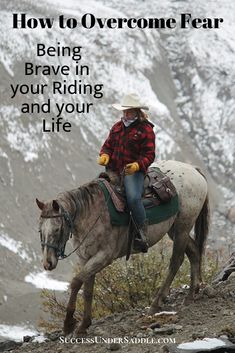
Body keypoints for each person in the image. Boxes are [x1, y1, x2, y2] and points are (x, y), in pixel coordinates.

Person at [97, 93, 156, 252]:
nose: (125, 114)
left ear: (136, 111)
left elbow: (149, 155)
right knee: (97, 190)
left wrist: (137, 166)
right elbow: (107, 145)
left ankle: (143, 233)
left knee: (133, 198)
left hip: (132, 172)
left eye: (129, 111)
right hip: (114, 170)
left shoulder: (146, 130)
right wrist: (104, 155)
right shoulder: (117, 127)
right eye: (124, 111)